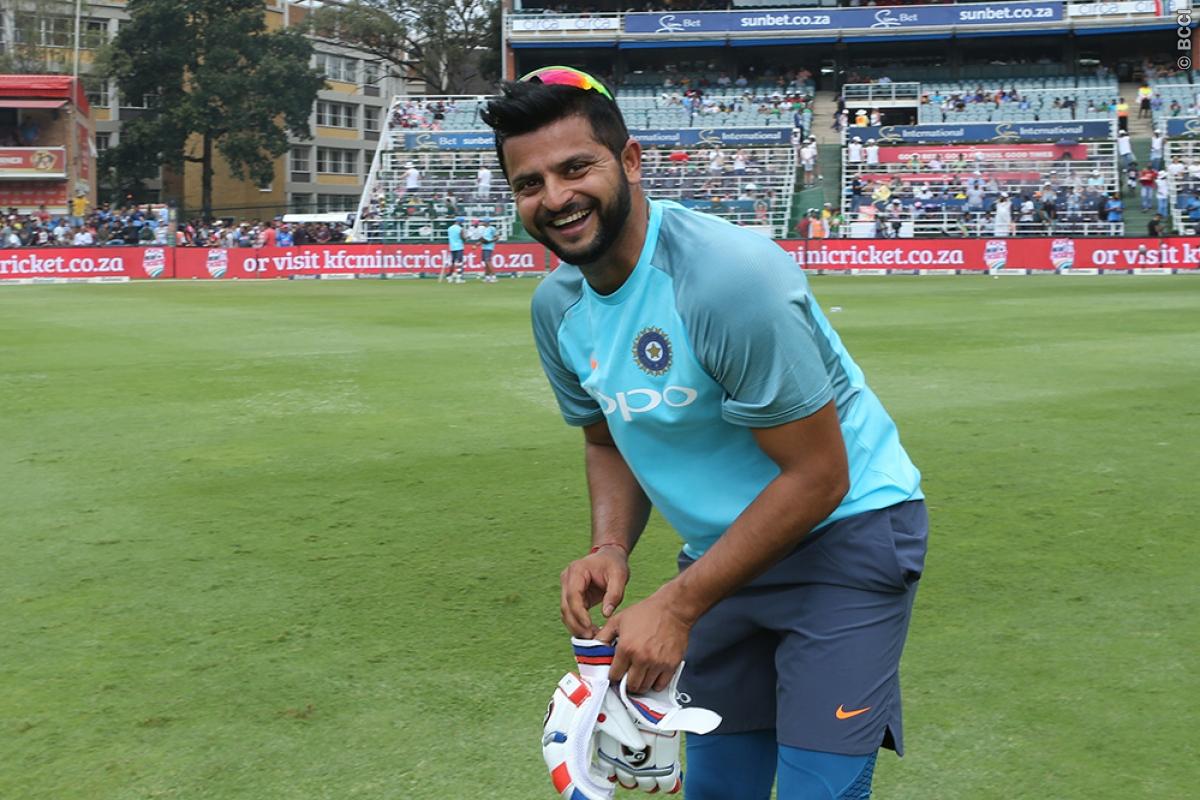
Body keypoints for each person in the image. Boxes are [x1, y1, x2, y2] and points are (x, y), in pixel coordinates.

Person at [482, 66, 926, 800]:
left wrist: (679, 604)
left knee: (821, 792)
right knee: (719, 791)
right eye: (530, 184)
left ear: (628, 161)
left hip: (848, 535)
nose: (556, 199)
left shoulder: (725, 278)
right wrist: (610, 545)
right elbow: (604, 438)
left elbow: (820, 477)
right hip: (725, 560)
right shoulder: (556, 307)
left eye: (574, 168)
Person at [445, 215, 466, 283]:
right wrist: (465, 238)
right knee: (459, 262)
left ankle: (449, 276)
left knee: (453, 262)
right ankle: (459, 277)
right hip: (459, 246)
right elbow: (462, 237)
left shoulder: (450, 228)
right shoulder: (460, 229)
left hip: (452, 247)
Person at [478, 216, 498, 282]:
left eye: (484, 222)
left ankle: (494, 276)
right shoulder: (483, 229)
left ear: (487, 222)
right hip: (484, 247)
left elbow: (496, 238)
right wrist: (480, 243)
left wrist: (489, 241)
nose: (483, 223)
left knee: (488, 261)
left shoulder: (492, 228)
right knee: (486, 262)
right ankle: (487, 277)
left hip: (489, 247)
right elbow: (483, 239)